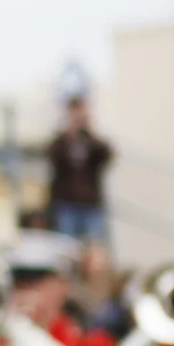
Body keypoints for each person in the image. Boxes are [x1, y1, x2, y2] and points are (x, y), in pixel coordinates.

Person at [44, 98, 115, 247]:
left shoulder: (92, 141)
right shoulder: (61, 142)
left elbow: (106, 155)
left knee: (95, 246)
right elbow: (52, 157)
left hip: (90, 203)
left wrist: (90, 132)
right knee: (66, 247)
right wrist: (69, 133)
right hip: (66, 204)